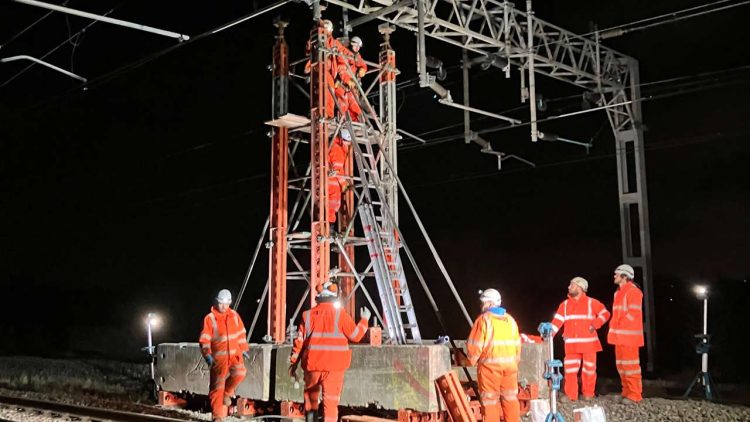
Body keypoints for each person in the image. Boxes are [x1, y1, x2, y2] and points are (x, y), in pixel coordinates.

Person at [288, 281, 371, 422]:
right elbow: (356, 335)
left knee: (310, 401)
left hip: (312, 366)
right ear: (335, 296)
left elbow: (299, 342)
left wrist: (293, 362)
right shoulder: (341, 315)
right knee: (331, 404)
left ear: (318, 296)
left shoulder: (307, 316)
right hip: (334, 367)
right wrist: (364, 320)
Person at [549, 277, 611, 401]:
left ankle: (588, 394)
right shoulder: (565, 305)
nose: (568, 287)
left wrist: (595, 324)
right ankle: (571, 395)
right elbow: (557, 322)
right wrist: (547, 335)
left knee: (589, 370)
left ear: (580, 287)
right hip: (571, 345)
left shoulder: (591, 302)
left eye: (571, 285)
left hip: (589, 344)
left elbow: (605, 314)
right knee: (570, 371)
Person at [466, 288, 521, 422]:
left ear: (489, 303)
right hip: (510, 369)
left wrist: (469, 361)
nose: (481, 306)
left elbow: (474, 347)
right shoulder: (511, 321)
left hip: (490, 369)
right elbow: (517, 347)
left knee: (490, 403)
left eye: (483, 303)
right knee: (511, 400)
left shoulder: (484, 320)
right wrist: (513, 364)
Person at [198, 289, 251, 422]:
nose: (224, 306)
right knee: (217, 388)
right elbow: (204, 339)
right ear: (217, 301)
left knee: (240, 373)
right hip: (218, 359)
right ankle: (217, 416)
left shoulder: (234, 315)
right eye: (221, 303)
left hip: (234, 355)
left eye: (227, 303)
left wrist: (243, 348)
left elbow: (240, 333)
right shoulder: (210, 318)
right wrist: (207, 355)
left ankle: (227, 393)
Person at [607, 264, 644, 404]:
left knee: (631, 367)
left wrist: (620, 325)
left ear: (624, 276)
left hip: (629, 337)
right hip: (620, 337)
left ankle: (635, 395)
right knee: (622, 366)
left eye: (617, 274)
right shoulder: (618, 293)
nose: (614, 276)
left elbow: (633, 313)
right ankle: (626, 392)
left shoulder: (634, 292)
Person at [327, 128, 352, 223]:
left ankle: (329, 226)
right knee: (332, 205)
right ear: (342, 139)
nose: (348, 144)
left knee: (331, 206)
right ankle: (328, 227)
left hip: (331, 181)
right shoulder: (337, 149)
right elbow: (338, 169)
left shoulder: (336, 147)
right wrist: (344, 184)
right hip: (332, 182)